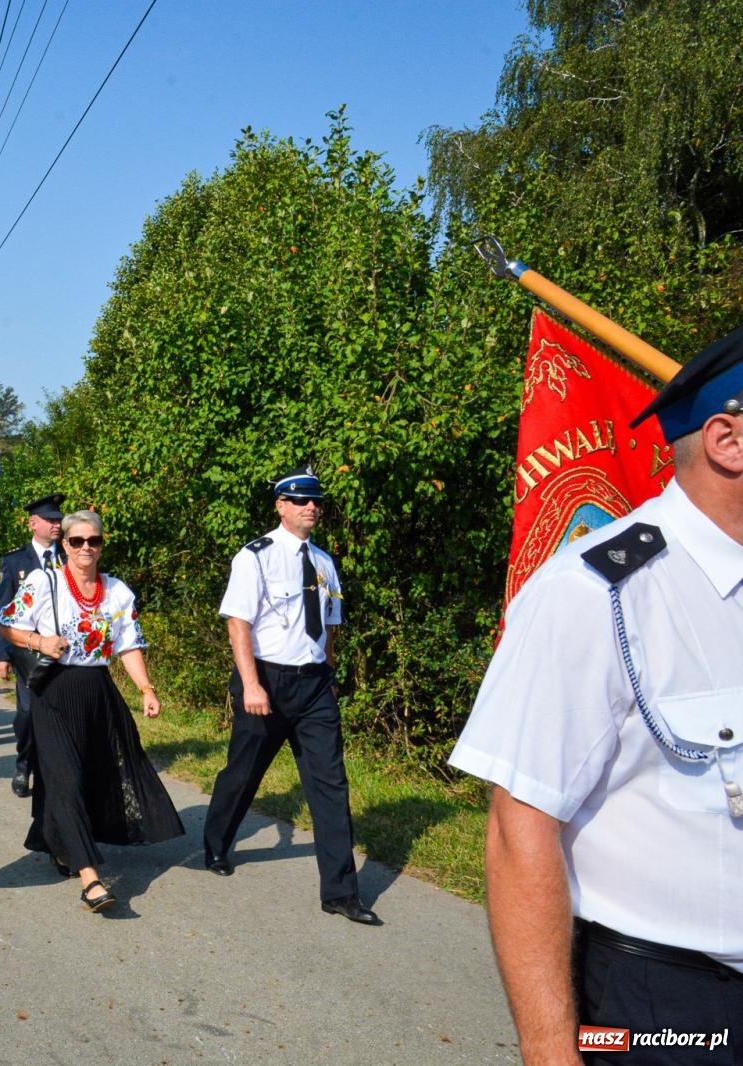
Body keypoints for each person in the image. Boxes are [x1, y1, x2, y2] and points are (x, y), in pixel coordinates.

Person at [450, 324, 743, 1063]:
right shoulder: (596, 595)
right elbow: (521, 828)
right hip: (667, 1004)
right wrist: (552, 1051)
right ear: (726, 441)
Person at [200, 464, 377, 925]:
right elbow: (238, 622)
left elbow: (331, 624)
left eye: (316, 500)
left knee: (330, 785)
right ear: (281, 506)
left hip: (314, 684)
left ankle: (340, 892)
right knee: (244, 772)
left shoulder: (324, 563)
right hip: (267, 681)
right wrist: (252, 683)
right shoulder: (254, 556)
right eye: (300, 500)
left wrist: (331, 671)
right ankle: (216, 842)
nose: (311, 507)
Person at [0, 508, 181, 912]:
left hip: (98, 690)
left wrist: (146, 689)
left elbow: (128, 645)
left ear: (102, 544)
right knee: (65, 778)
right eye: (77, 541)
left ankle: (57, 839)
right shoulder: (44, 583)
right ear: (64, 544)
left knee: (93, 776)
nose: (86, 548)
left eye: (93, 541)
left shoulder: (117, 591)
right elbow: (6, 623)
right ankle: (91, 879)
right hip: (55, 691)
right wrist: (38, 642)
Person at [0, 494, 67, 796]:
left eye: (58, 520)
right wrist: (2, 655)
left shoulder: (70, 555)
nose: (56, 525)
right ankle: (24, 765)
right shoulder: (15, 562)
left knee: (60, 714)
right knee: (26, 713)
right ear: (32, 523)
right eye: (50, 520)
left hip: (64, 651)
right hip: (27, 653)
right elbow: (3, 611)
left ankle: (54, 771)